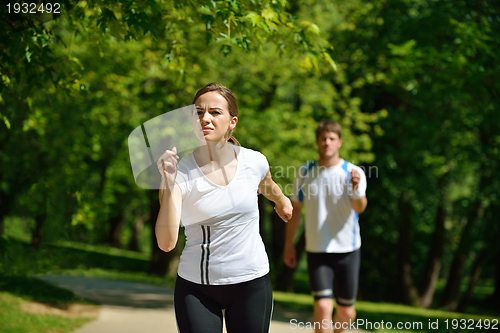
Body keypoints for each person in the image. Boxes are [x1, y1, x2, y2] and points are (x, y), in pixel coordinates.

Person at [155, 83, 293, 333]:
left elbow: (267, 184)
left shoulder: (254, 161)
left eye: (215, 112)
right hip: (197, 288)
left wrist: (282, 201)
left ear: (232, 121)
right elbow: (166, 243)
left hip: (251, 283)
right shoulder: (181, 173)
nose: (205, 118)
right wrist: (167, 183)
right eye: (198, 112)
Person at [283, 119, 368, 333]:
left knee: (347, 312)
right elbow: (295, 211)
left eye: (331, 138)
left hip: (348, 250)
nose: (326, 142)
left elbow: (360, 208)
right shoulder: (304, 172)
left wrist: (356, 189)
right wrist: (288, 245)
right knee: (322, 306)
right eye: (323, 138)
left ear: (340, 142)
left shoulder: (353, 172)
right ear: (317, 142)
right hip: (317, 249)